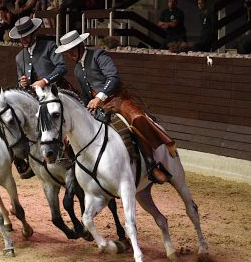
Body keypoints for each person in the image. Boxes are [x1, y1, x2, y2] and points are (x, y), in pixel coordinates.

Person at [53, 30, 175, 183]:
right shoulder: (78, 69)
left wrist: (99, 97)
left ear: (80, 46)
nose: (70, 54)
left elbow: (113, 77)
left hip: (117, 99)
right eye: (67, 52)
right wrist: (83, 109)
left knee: (136, 120)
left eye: (71, 50)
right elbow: (85, 95)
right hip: (97, 106)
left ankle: (152, 164)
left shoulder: (98, 55)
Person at [8, 16, 67, 177]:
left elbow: (62, 67)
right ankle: (25, 160)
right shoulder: (19, 57)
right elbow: (20, 81)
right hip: (33, 97)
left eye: (27, 36)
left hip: (54, 92)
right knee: (13, 121)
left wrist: (44, 80)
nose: (24, 39)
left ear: (34, 33)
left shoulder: (49, 46)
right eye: (21, 37)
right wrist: (22, 83)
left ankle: (70, 156)